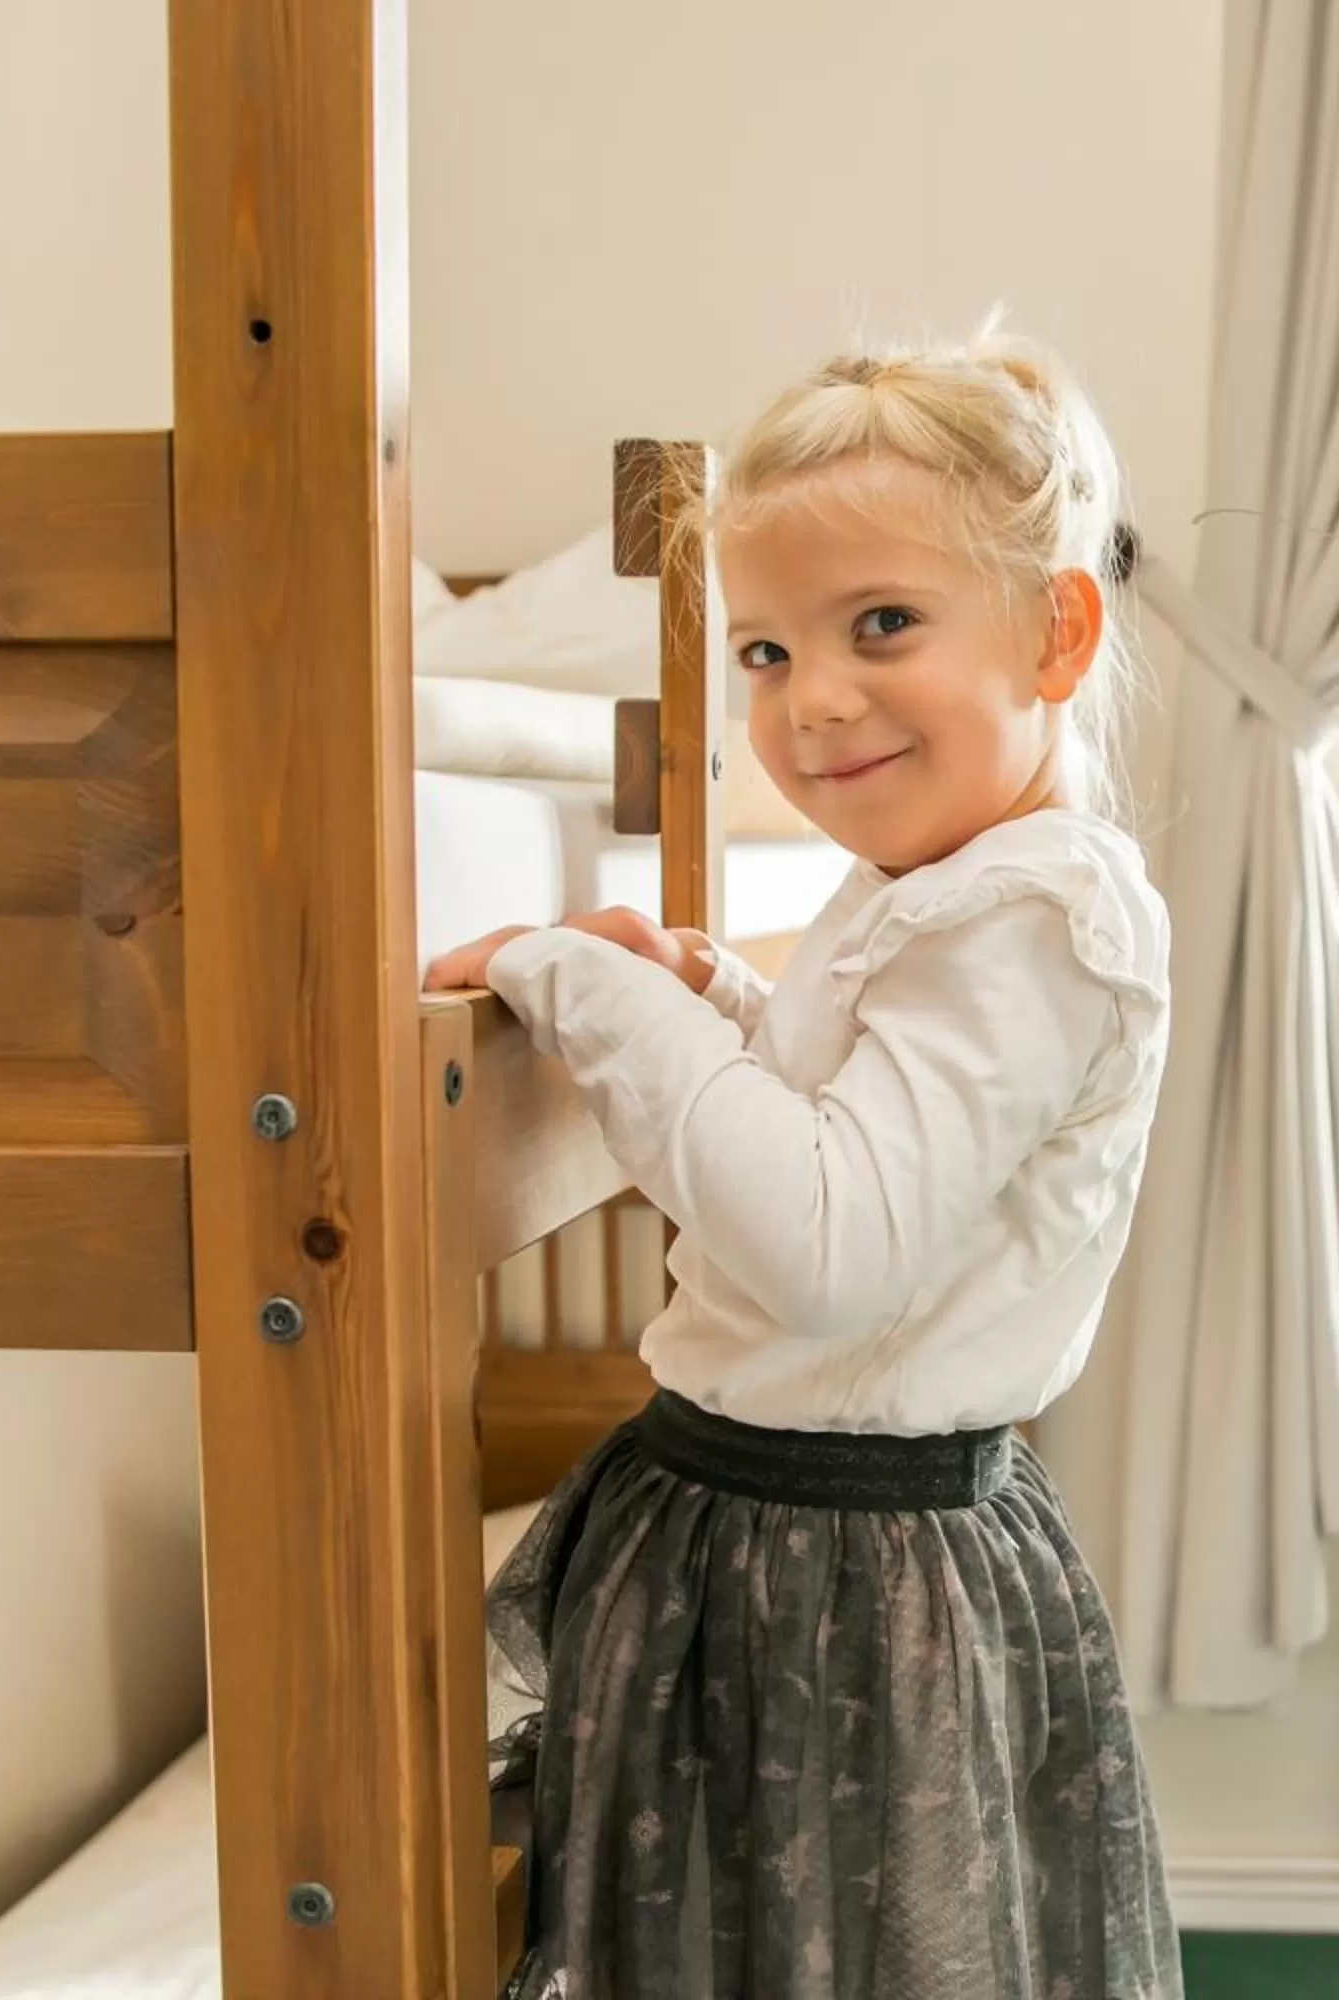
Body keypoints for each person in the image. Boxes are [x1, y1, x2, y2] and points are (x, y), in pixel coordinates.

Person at [421, 315, 1182, 1999]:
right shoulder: (939, 883)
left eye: (882, 626)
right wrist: (722, 990)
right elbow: (875, 1117)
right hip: (782, 1538)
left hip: (844, 1570)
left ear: (1056, 633)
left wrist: (588, 986)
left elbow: (838, 1245)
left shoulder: (1034, 908)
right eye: (762, 653)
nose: (812, 700)